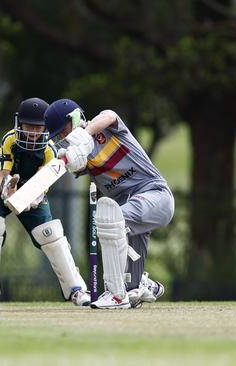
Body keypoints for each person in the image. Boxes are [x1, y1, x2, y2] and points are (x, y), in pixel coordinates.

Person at [44, 99, 174, 309]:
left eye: (63, 131)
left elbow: (109, 116)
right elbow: (69, 165)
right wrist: (62, 159)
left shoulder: (105, 124)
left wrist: (84, 135)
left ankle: (115, 295)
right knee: (131, 285)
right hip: (131, 210)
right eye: (58, 135)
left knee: (111, 220)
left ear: (75, 118)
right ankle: (137, 284)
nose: (62, 137)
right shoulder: (81, 154)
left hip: (155, 195)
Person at [0, 97, 91, 308]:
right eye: (29, 126)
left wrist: (31, 196)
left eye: (39, 127)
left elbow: (42, 182)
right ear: (20, 124)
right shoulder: (10, 139)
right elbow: (2, 174)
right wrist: (7, 186)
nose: (33, 132)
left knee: (50, 234)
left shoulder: (49, 150)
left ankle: (77, 289)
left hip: (32, 189)